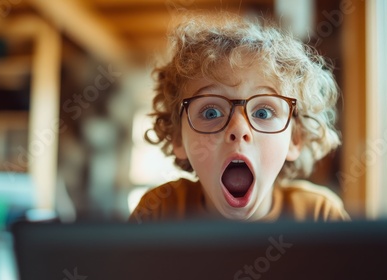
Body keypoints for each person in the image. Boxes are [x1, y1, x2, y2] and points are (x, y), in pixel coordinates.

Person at [129, 11, 350, 224]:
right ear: (178, 137)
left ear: (295, 138)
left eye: (263, 112)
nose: (239, 129)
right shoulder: (159, 213)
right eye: (211, 112)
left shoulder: (319, 217)